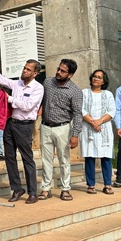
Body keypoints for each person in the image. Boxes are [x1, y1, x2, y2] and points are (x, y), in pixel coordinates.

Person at [0, 60, 44, 204]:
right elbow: (0, 79)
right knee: (10, 157)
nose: (24, 71)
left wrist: (9, 99)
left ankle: (32, 192)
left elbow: (28, 106)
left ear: (35, 73)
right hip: (11, 123)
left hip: (25, 126)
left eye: (28, 69)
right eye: (24, 68)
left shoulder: (38, 88)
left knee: (27, 158)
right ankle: (16, 189)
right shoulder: (17, 83)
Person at [38, 59, 82, 201]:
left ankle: (65, 189)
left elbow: (77, 114)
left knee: (64, 160)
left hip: (63, 128)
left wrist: (75, 135)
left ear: (70, 75)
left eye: (63, 71)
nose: (58, 72)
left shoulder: (75, 91)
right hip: (45, 126)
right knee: (46, 160)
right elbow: (40, 99)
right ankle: (46, 189)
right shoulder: (48, 82)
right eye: (58, 69)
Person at [81, 69, 116, 195]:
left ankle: (107, 184)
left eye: (99, 77)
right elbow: (81, 109)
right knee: (89, 157)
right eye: (94, 76)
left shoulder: (108, 94)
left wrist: (99, 122)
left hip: (104, 128)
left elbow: (112, 111)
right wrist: (92, 122)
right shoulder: (84, 93)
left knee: (106, 157)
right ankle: (91, 184)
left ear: (103, 81)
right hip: (88, 128)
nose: (96, 79)